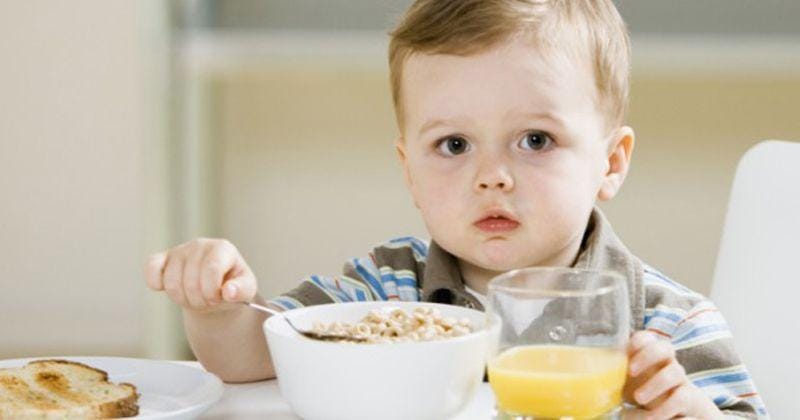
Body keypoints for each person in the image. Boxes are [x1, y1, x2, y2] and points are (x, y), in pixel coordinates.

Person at [144, 1, 766, 417]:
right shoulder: (386, 288)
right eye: (454, 145)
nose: (491, 176)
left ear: (611, 162)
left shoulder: (667, 323)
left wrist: (689, 411)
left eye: (535, 140)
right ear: (408, 169)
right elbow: (253, 357)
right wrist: (216, 308)